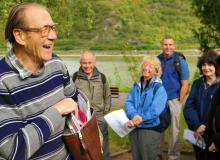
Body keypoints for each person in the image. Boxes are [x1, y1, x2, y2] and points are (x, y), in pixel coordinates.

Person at [0, 3, 79, 160]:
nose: (53, 36)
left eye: (53, 28)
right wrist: (56, 111)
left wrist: (93, 130)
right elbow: (13, 151)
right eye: (44, 30)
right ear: (20, 36)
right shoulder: (3, 81)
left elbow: (75, 101)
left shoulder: (56, 63)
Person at [125, 55, 168, 160]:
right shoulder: (136, 85)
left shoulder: (159, 88)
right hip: (134, 128)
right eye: (145, 64)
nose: (146, 68)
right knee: (137, 156)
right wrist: (134, 115)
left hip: (150, 130)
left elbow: (155, 111)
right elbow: (128, 102)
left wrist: (140, 118)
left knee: (149, 157)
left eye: (151, 66)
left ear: (156, 70)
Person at [72, 51, 112, 160]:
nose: (87, 66)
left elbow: (107, 96)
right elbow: (71, 98)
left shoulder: (102, 77)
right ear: (80, 63)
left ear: (94, 62)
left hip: (99, 117)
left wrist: (104, 113)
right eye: (84, 63)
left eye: (90, 62)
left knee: (103, 146)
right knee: (85, 147)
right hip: (83, 119)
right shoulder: (74, 78)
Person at [157, 35, 190, 160]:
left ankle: (174, 157)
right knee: (158, 129)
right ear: (162, 45)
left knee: (174, 131)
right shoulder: (157, 60)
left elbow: (185, 83)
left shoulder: (180, 61)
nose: (168, 47)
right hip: (159, 101)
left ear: (174, 46)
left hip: (174, 100)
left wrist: (179, 101)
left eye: (170, 44)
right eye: (165, 44)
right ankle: (157, 155)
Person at [184, 51, 220, 160]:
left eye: (210, 64)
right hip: (196, 132)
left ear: (216, 66)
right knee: (199, 156)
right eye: (203, 65)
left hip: (214, 135)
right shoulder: (197, 83)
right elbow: (189, 107)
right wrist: (197, 125)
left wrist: (205, 127)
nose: (206, 68)